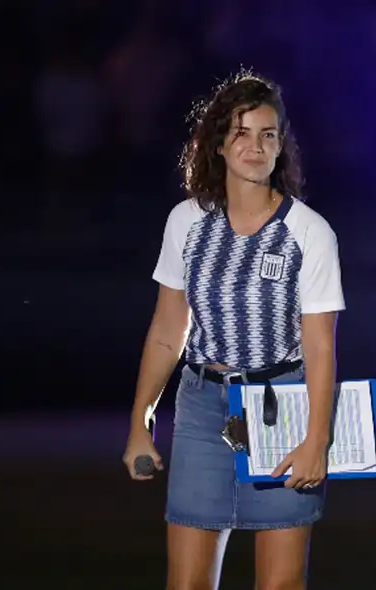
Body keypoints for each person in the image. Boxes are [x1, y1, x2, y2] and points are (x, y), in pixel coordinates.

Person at [122, 71, 345, 590]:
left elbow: (319, 343)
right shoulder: (186, 220)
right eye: (241, 132)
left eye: (268, 134)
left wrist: (318, 437)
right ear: (218, 143)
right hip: (202, 406)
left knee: (280, 584)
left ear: (281, 145)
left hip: (283, 405)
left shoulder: (309, 231)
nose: (255, 145)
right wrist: (141, 420)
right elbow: (166, 330)